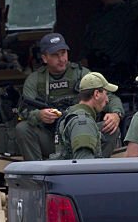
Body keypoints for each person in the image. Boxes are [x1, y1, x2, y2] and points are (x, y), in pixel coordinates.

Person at [16, 33, 124, 161]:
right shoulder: (35, 80)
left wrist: (116, 114)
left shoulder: (81, 73)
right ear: (44, 58)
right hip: (51, 137)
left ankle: (94, 169)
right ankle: (36, 176)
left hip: (81, 130)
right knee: (22, 129)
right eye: (55, 55)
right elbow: (23, 110)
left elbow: (109, 97)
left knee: (111, 128)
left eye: (63, 53)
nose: (61, 59)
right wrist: (39, 115)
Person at [81, 0, 138, 87]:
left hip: (121, 70)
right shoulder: (96, 18)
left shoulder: (130, 10)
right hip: (98, 69)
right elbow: (87, 45)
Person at [53, 72, 120, 160]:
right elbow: (84, 164)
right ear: (97, 94)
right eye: (106, 94)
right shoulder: (83, 122)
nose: (107, 100)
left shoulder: (72, 114)